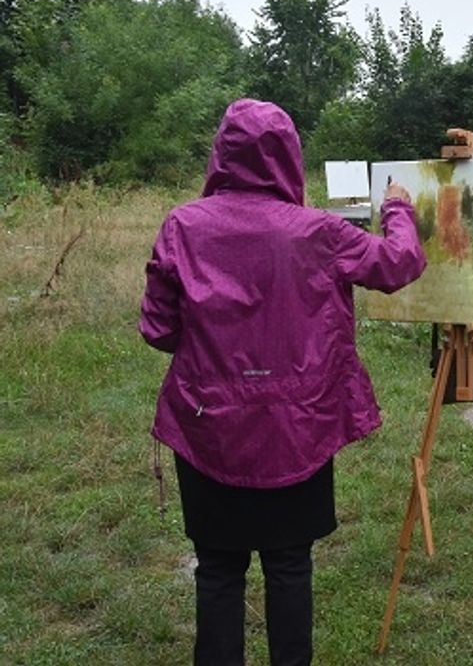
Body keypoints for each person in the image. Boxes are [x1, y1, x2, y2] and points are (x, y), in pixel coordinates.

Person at [138, 99, 426, 665]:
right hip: (299, 426)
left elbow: (158, 329)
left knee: (218, 569)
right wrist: (397, 210)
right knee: (290, 565)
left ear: (222, 153)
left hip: (207, 426)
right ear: (288, 157)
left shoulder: (183, 226)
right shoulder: (319, 232)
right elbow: (397, 263)